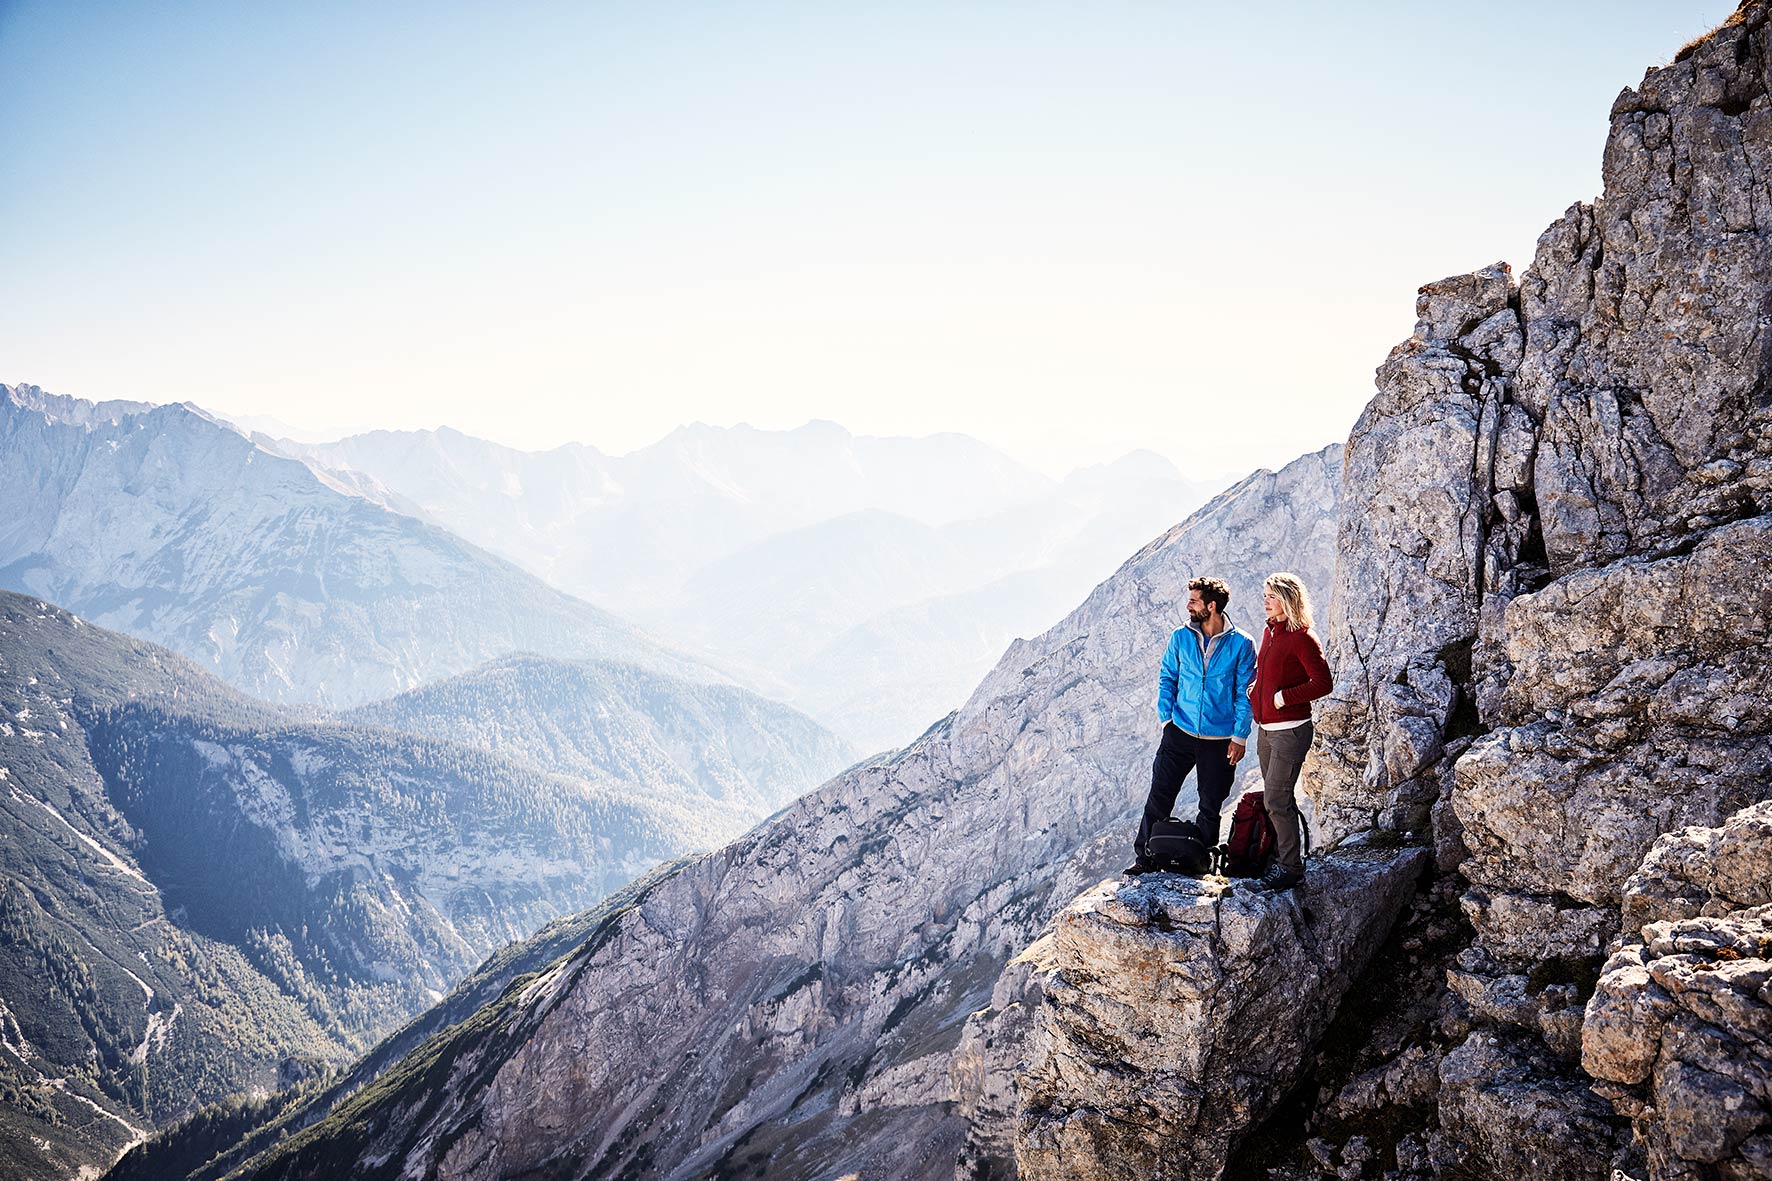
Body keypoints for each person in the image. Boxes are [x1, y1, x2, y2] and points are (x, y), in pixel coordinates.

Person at [1127, 575, 1256, 875]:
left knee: (1210, 805)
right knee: (1159, 796)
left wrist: (1239, 736)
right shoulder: (1180, 637)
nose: (1188, 606)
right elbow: (1167, 677)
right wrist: (1166, 720)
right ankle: (1143, 860)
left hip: (1221, 739)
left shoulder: (1242, 644)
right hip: (1179, 733)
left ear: (1211, 606)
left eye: (1194, 601)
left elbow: (1244, 693)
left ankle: (1202, 863)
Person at [1249, 572, 1333, 892]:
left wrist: (1282, 698)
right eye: (1265, 595)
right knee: (1277, 800)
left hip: (1290, 732)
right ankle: (1282, 858)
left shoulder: (1302, 636)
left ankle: (1291, 869)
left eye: (1271, 596)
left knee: (1276, 799)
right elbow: (1274, 672)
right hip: (1266, 731)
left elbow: (1322, 683)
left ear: (1287, 598)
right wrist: (1258, 690)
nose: (1265, 601)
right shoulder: (1270, 633)